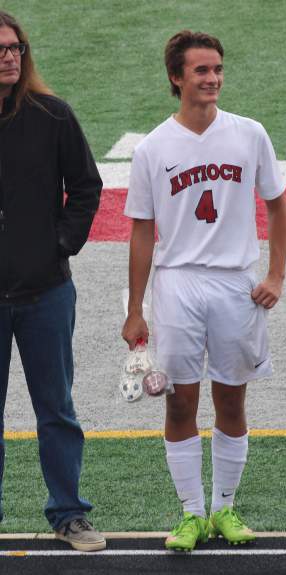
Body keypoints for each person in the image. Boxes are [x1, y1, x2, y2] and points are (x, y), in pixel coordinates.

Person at [122, 30, 286, 552]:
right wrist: (135, 308)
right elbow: (142, 231)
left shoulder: (250, 134)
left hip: (236, 283)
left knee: (232, 398)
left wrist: (276, 274)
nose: (213, 78)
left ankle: (224, 509)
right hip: (177, 285)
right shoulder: (152, 148)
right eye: (201, 70)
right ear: (177, 77)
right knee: (179, 403)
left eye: (217, 69)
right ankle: (192, 514)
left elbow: (278, 206)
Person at [0, 11, 105, 551]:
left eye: (16, 47)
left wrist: (59, 244)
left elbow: (86, 187)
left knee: (57, 410)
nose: (11, 56)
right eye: (1, 49)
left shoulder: (53, 115)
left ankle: (69, 515)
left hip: (46, 292)